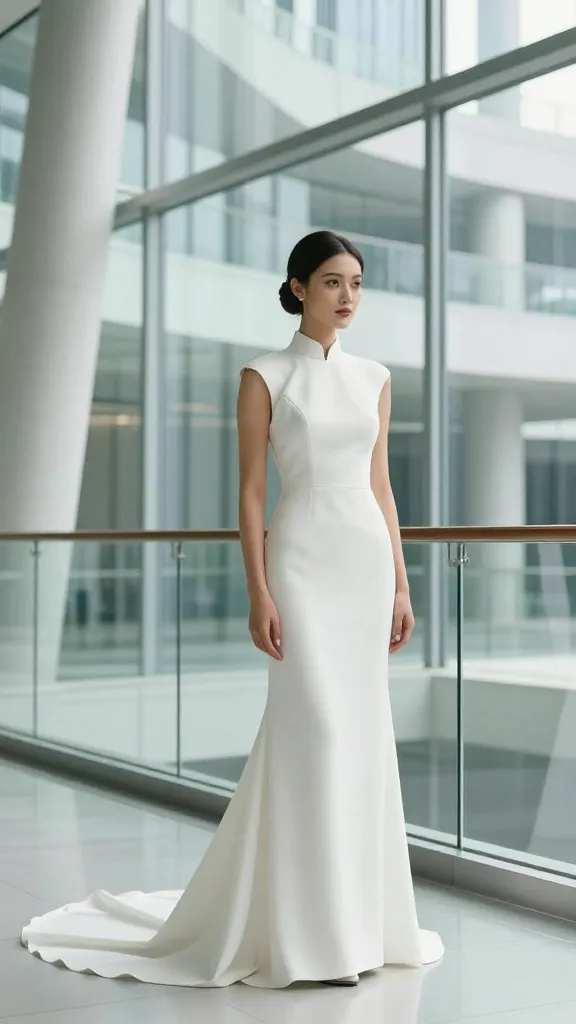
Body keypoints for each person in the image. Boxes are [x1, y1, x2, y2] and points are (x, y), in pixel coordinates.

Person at [20, 229, 443, 989]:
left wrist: (405, 584)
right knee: (312, 730)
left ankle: (356, 928)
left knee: (358, 742)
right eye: (332, 282)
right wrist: (258, 589)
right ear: (298, 287)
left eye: (356, 283)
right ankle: (306, 936)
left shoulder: (375, 376)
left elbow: (382, 489)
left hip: (365, 566)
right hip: (303, 563)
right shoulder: (264, 374)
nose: (348, 297)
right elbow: (251, 493)